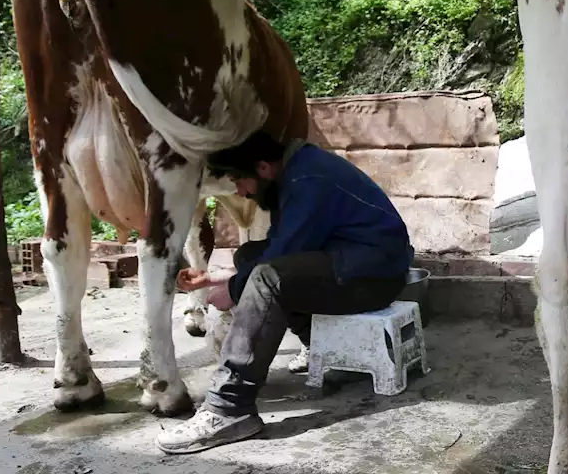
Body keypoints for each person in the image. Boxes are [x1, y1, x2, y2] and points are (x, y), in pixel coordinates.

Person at [156, 131, 414, 454]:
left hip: (375, 274)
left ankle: (228, 407)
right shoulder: (296, 170)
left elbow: (280, 260)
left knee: (267, 279)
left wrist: (234, 290)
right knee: (249, 257)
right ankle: (317, 343)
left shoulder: (306, 180)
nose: (241, 192)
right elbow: (281, 248)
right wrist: (221, 278)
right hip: (356, 259)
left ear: (262, 168)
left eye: (239, 182)